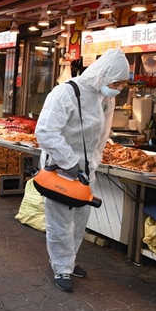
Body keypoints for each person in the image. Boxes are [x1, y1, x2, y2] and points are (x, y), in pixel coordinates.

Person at [35, 48, 129, 293]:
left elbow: (101, 134)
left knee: (79, 220)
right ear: (102, 75)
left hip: (86, 171)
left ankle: (70, 260)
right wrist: (69, 161)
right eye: (115, 82)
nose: (118, 87)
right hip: (61, 169)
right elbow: (45, 132)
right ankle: (61, 267)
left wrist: (93, 162)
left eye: (121, 83)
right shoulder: (66, 92)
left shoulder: (105, 98)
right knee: (60, 222)